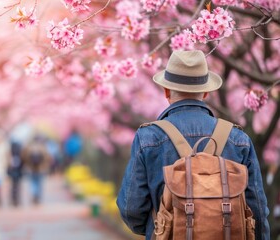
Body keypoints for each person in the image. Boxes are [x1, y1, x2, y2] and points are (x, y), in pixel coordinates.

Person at [116, 50, 270, 239]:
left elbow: (132, 209)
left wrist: (158, 228)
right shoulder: (238, 139)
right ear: (206, 92)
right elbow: (258, 210)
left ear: (166, 91)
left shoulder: (148, 137)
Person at [21, 135, 52, 204]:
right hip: (41, 169)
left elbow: (24, 156)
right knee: (39, 183)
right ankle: (38, 196)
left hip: (31, 168)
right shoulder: (42, 147)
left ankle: (33, 195)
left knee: (32, 183)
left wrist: (27, 164)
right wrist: (45, 166)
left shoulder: (29, 147)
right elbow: (47, 157)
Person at [7, 140, 24, 207]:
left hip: (12, 172)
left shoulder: (10, 154)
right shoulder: (20, 153)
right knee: (17, 186)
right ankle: (16, 199)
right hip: (18, 172)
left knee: (13, 186)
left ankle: (14, 199)